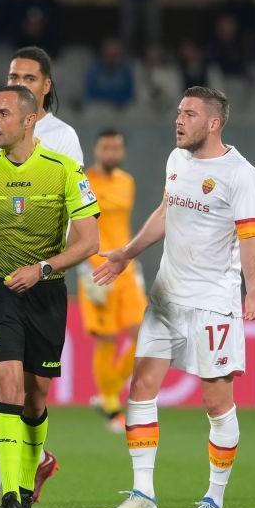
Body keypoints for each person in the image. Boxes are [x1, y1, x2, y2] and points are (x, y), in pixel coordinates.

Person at [97, 86, 255, 508]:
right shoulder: (177, 161)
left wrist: (253, 289)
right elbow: (165, 211)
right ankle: (143, 495)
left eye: (189, 114)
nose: (179, 120)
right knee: (140, 387)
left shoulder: (239, 174)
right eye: (179, 112)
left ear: (213, 123)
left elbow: (251, 236)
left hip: (212, 301)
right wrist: (127, 253)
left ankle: (213, 499)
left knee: (216, 401)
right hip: (166, 294)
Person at [0, 85, 100, 508]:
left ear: (30, 120)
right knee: (6, 384)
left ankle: (28, 482)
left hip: (46, 293)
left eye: (4, 113)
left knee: (35, 398)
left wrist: (43, 269)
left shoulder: (64, 170)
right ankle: (10, 494)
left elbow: (90, 241)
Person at [0, 46, 79, 508]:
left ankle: (5, 478)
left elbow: (70, 211)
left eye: (29, 77)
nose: (21, 82)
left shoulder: (63, 139)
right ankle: (32, 459)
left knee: (27, 391)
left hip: (38, 276)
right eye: (14, 74)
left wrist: (49, 266)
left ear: (46, 86)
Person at [78, 130, 147, 432]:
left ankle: (108, 392)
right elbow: (74, 224)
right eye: (105, 146)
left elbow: (122, 225)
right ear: (96, 149)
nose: (111, 152)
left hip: (126, 269)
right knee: (106, 338)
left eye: (116, 147)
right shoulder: (83, 181)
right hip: (96, 269)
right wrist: (81, 266)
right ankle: (109, 402)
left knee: (145, 333)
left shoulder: (127, 182)